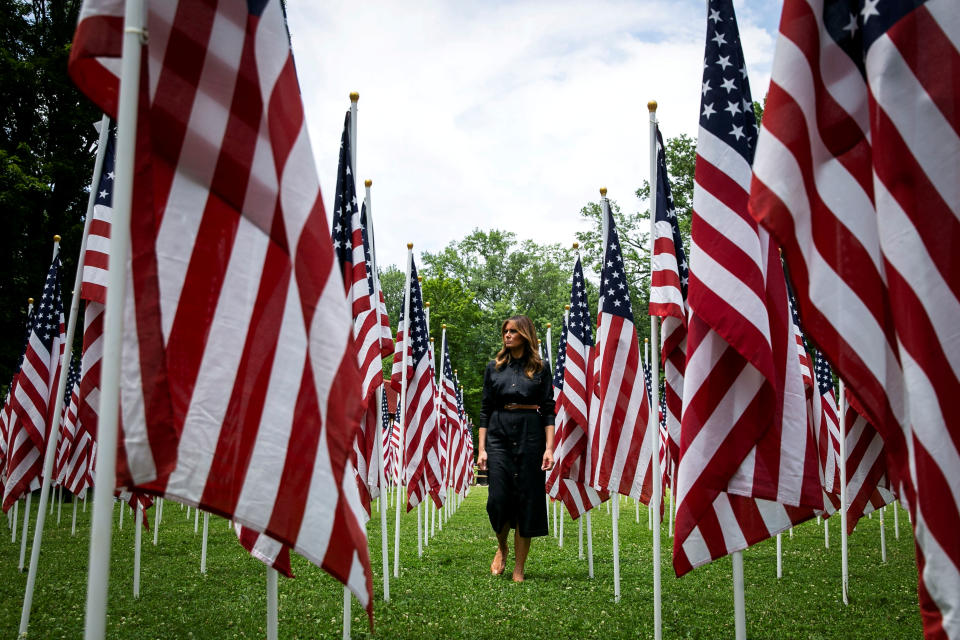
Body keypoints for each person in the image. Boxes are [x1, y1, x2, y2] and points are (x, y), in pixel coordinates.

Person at [476, 315, 555, 582]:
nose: (507, 335)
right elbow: (485, 409)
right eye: (505, 331)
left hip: (530, 435)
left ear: (525, 335)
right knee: (497, 500)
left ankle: (519, 568)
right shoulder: (493, 368)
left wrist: (549, 448)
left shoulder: (541, 368)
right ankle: (502, 546)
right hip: (498, 434)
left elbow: (548, 410)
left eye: (512, 331)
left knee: (527, 501)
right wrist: (482, 449)